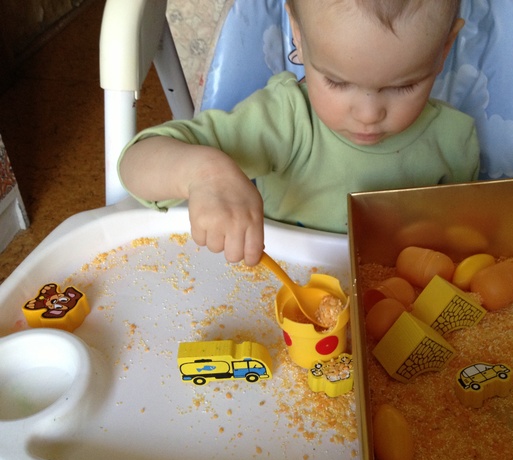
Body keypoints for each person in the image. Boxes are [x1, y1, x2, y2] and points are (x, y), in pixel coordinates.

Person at [118, 0, 479, 267]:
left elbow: (462, 246)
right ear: (299, 36)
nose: (368, 115)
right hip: (285, 295)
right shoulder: (286, 119)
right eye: (336, 81)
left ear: (444, 49)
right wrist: (202, 174)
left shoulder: (454, 140)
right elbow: (135, 162)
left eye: (404, 86)